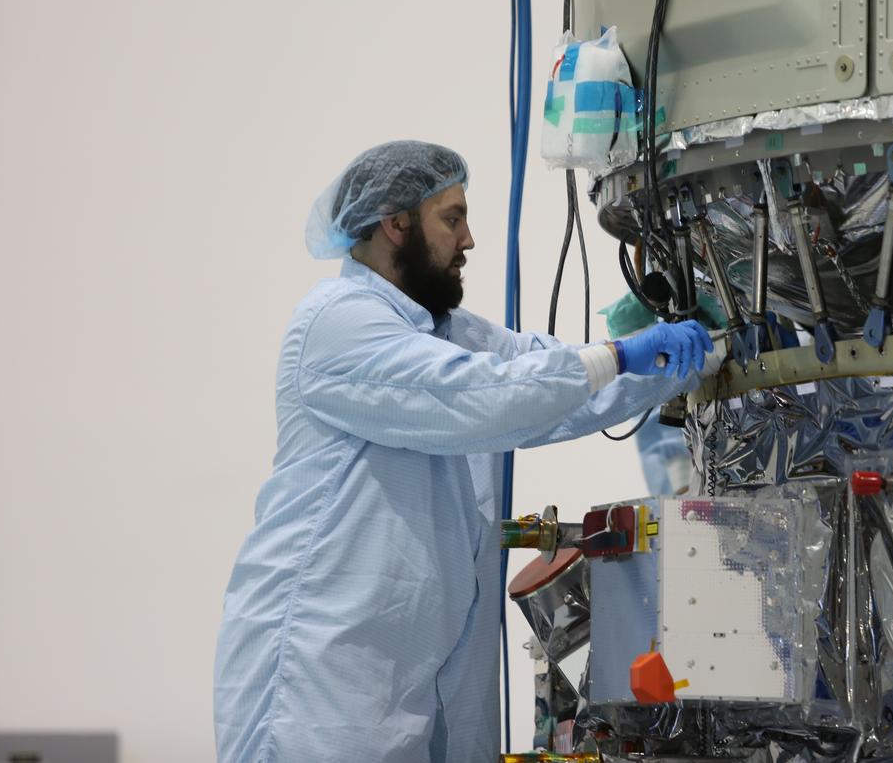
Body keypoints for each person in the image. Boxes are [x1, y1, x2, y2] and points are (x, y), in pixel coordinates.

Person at [213, 141, 715, 763]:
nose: (470, 239)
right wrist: (620, 354)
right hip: (321, 686)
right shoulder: (339, 324)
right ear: (395, 224)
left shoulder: (447, 333)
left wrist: (696, 356)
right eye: (452, 218)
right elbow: (483, 396)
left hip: (414, 677)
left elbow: (551, 391)